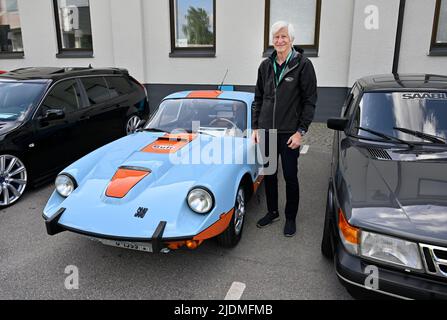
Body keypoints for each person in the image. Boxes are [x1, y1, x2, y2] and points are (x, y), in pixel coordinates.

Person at [252, 21, 317, 237]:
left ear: (292, 40)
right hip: (266, 132)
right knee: (269, 174)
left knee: (290, 176)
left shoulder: (303, 65)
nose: (279, 41)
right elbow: (258, 99)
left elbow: (310, 101)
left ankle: (290, 217)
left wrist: (301, 132)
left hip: (290, 134)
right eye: (276, 37)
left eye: (283, 37)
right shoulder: (265, 66)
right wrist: (255, 127)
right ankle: (273, 212)